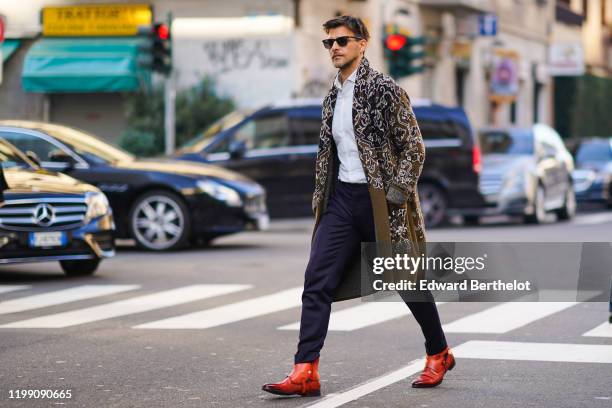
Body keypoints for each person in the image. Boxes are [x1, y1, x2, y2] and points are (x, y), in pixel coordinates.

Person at [262, 16, 454, 397]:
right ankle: (305, 370)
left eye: (342, 41)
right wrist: (324, 197)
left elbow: (414, 147)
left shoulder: (385, 90)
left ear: (363, 43)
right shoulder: (332, 96)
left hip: (383, 202)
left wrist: (397, 194)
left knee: (406, 281)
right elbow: (330, 153)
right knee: (316, 280)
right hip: (343, 201)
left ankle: (438, 352)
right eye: (328, 42)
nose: (334, 47)